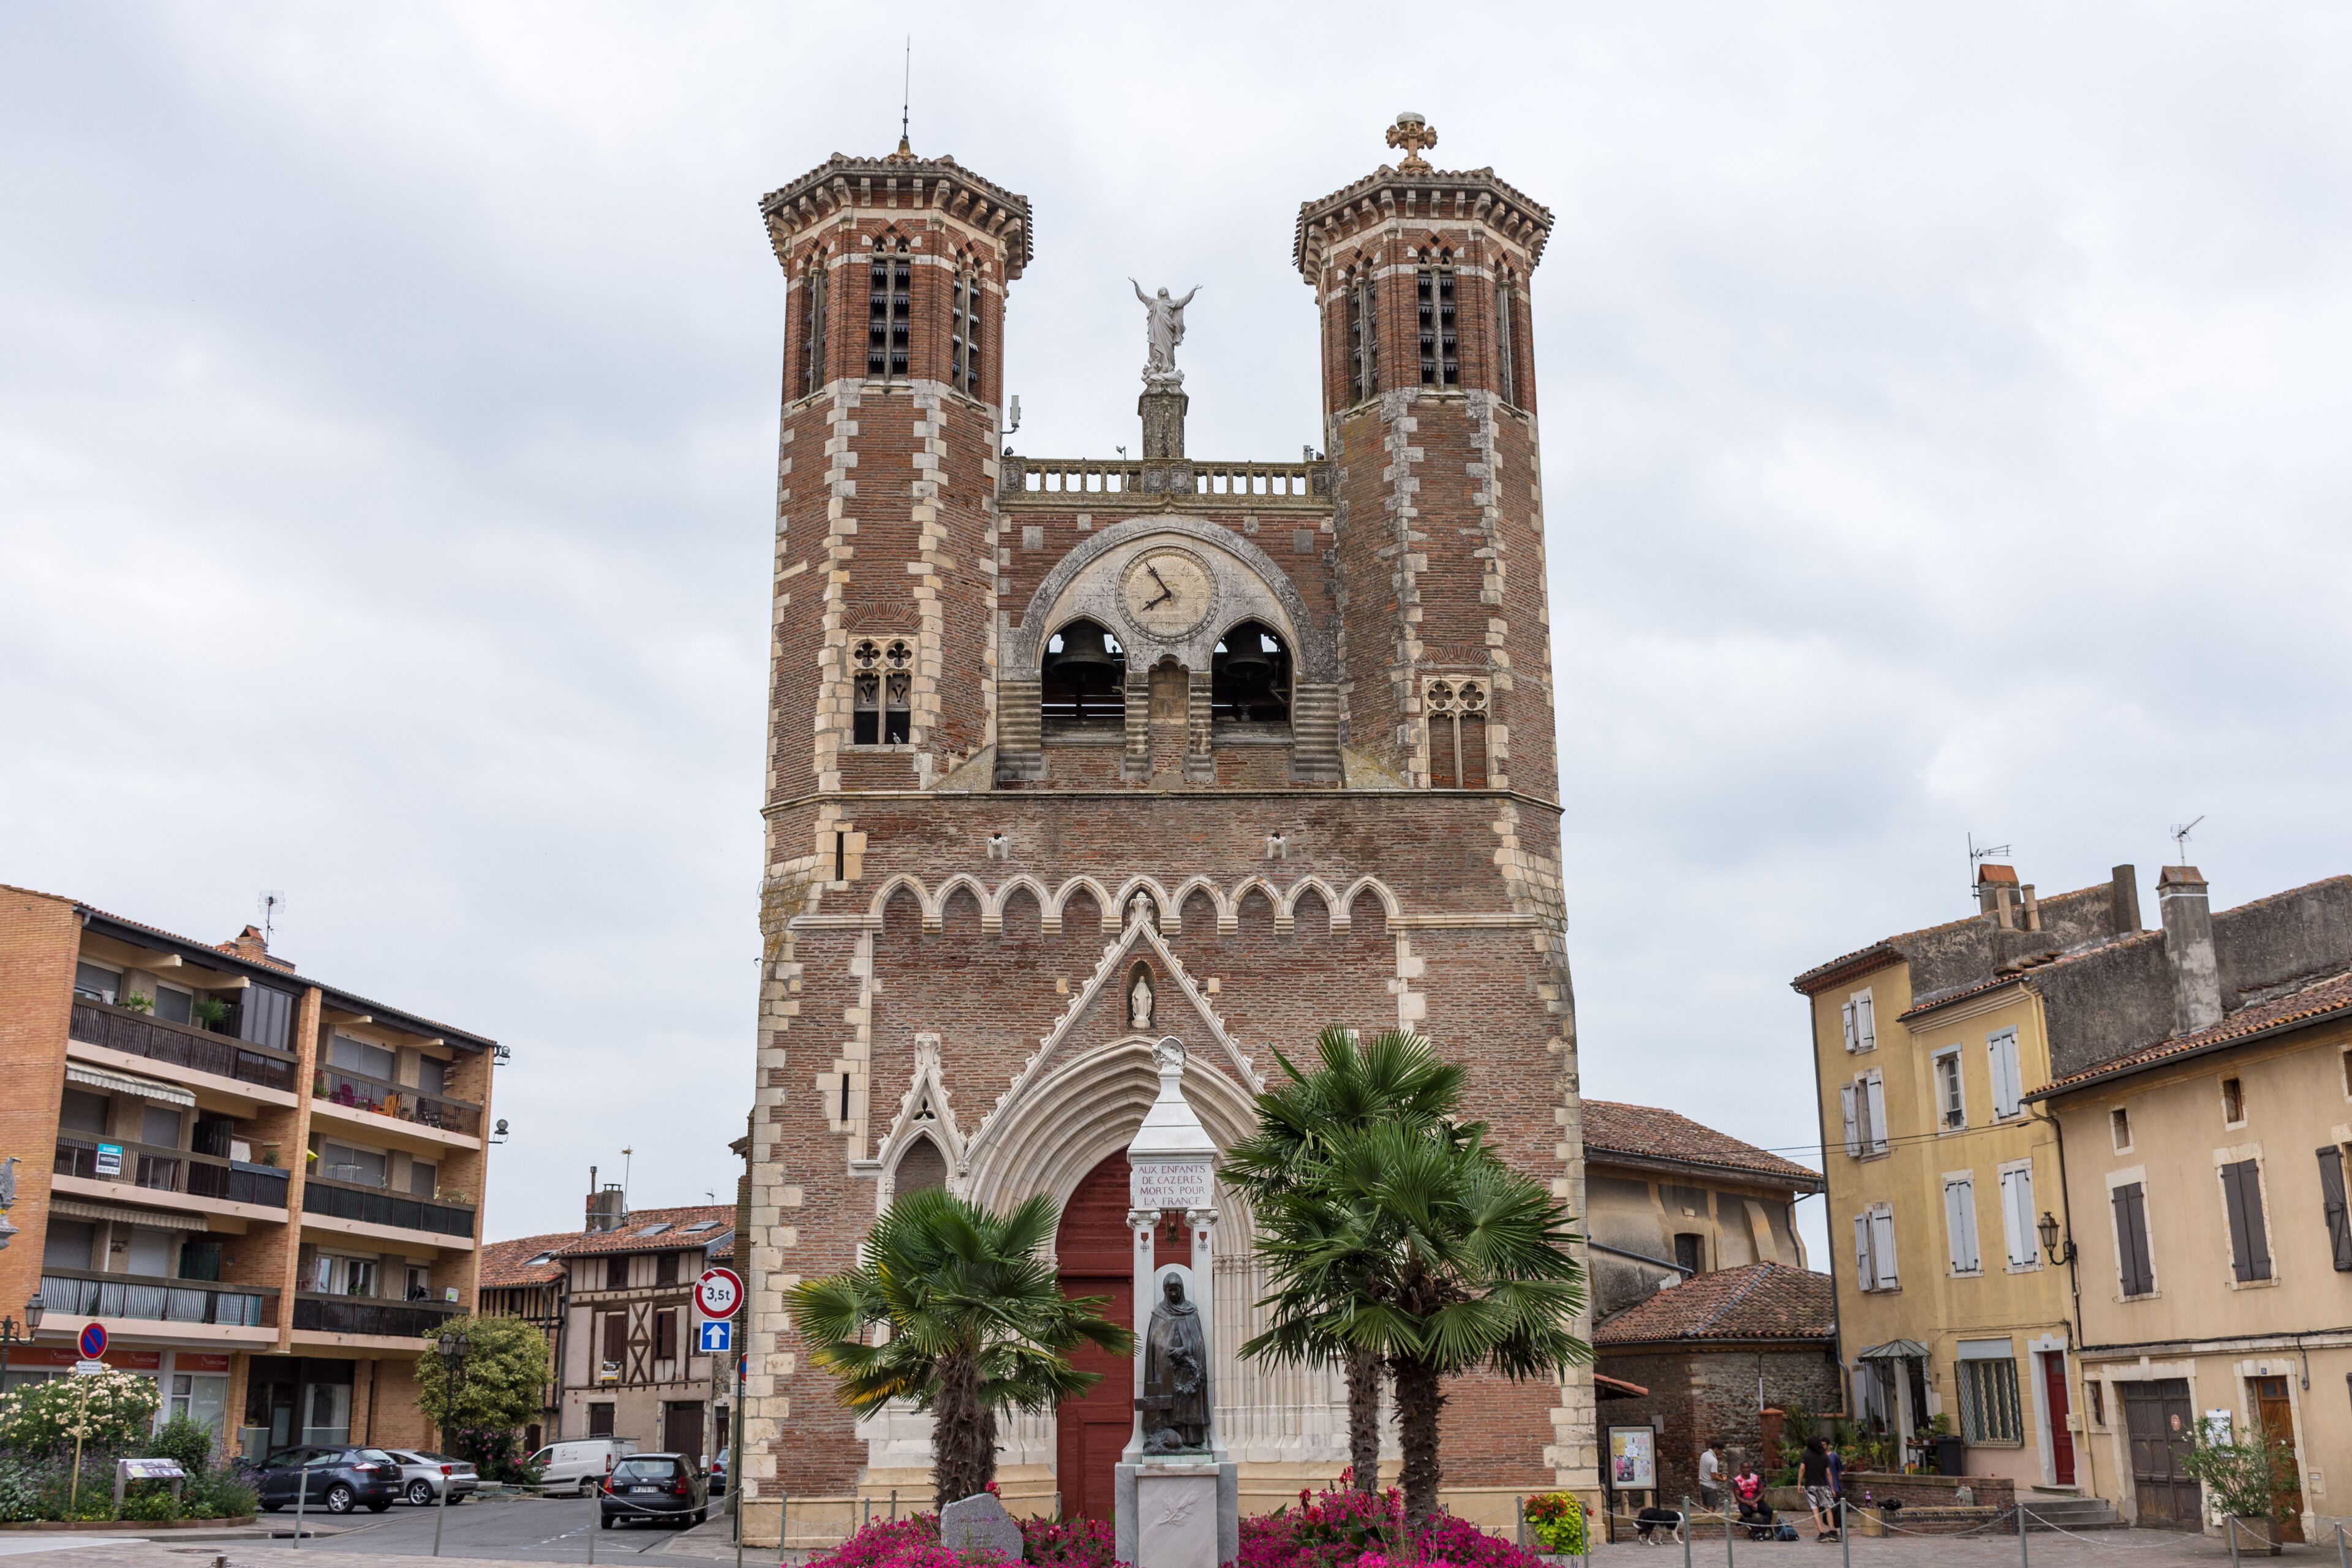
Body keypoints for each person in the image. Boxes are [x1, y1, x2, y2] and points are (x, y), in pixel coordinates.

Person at [1800, 1438, 1839, 1541]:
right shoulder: (1824, 1456)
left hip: (1811, 1485)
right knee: (1828, 1508)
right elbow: (1829, 1473)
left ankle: (1821, 1533)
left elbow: (1802, 1468)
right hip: (1823, 1485)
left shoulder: (1805, 1455)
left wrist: (1799, 1483)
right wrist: (1832, 1488)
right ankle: (1832, 1531)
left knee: (1815, 1509)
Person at [1732, 1462, 1773, 1538]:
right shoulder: (1737, 1481)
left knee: (1769, 1510)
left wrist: (1754, 1501)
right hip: (1744, 1503)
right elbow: (1737, 1497)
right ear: (1741, 1469)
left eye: (1748, 1467)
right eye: (1744, 1468)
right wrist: (1747, 1502)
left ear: (1750, 1469)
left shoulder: (1756, 1478)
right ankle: (1755, 1531)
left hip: (1757, 1501)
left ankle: (1764, 1530)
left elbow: (1762, 1493)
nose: (1746, 1469)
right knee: (1746, 1512)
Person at [1698, 1439, 1722, 1514]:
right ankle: (1709, 1523)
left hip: (1702, 1484)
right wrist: (1723, 1480)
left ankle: (1703, 1522)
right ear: (1717, 1449)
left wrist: (1717, 1474)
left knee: (1706, 1506)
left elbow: (1707, 1470)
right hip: (1710, 1486)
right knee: (1712, 1507)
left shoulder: (1704, 1455)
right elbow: (1713, 1477)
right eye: (1721, 1451)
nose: (1721, 1453)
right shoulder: (1714, 1460)